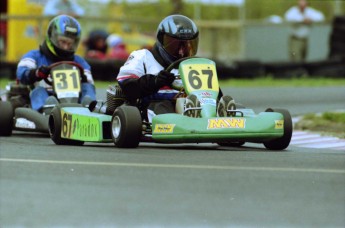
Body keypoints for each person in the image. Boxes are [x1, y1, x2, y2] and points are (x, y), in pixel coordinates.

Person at [116, 14, 199, 121]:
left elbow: (209, 94)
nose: (181, 51)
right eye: (176, 45)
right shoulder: (143, 56)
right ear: (162, 41)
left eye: (187, 46)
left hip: (193, 106)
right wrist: (155, 81)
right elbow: (127, 87)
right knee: (162, 106)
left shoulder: (195, 65)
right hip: (154, 107)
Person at [16, 14, 96, 112]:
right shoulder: (35, 56)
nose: (66, 47)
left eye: (70, 43)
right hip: (45, 98)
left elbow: (90, 84)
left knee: (88, 87)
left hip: (75, 102)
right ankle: (47, 111)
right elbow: (21, 74)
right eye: (63, 42)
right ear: (52, 37)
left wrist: (83, 78)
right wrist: (37, 73)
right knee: (39, 90)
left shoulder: (79, 62)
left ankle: (90, 110)